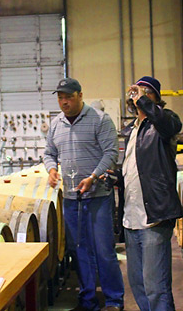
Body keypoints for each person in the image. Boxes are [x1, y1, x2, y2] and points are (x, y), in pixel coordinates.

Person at [44, 78, 124, 311]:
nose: (64, 101)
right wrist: (51, 169)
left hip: (98, 196)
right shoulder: (56, 124)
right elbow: (49, 152)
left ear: (80, 95)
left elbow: (111, 153)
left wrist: (93, 176)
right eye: (60, 97)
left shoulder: (100, 120)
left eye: (68, 96)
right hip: (71, 198)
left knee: (103, 250)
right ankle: (87, 300)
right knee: (79, 251)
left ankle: (113, 300)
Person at [109, 76, 182, 311]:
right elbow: (133, 169)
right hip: (131, 218)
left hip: (154, 217)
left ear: (156, 100)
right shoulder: (133, 130)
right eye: (137, 93)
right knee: (138, 284)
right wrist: (114, 177)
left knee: (156, 287)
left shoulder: (164, 123)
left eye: (146, 92)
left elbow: (168, 125)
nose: (139, 96)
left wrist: (145, 101)